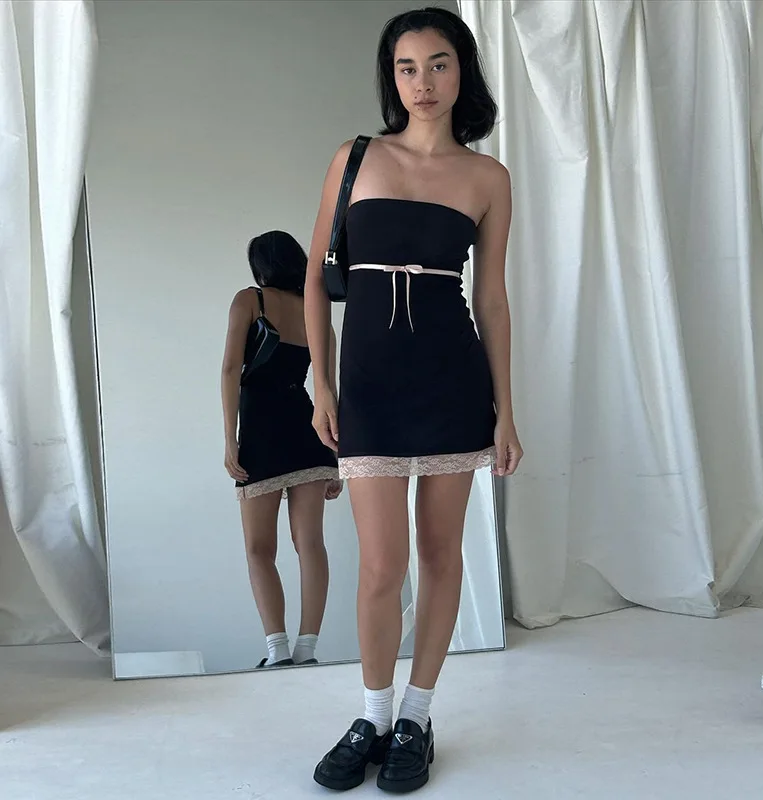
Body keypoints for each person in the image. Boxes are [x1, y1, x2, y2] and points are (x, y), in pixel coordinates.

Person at [304, 7, 523, 793]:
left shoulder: (487, 178)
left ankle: (416, 717)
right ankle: (371, 713)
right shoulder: (356, 157)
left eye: (438, 64)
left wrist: (505, 409)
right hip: (369, 388)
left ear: (462, 72)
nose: (422, 82)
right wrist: (321, 382)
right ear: (390, 78)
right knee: (379, 566)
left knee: (439, 554)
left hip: (451, 382)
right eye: (406, 67)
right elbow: (314, 280)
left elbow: (490, 299)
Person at [221, 230, 342, 669]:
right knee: (310, 544)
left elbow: (231, 369)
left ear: (261, 266)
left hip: (261, 434)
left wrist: (230, 438)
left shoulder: (250, 300)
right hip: (307, 432)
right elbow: (328, 390)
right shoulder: (316, 313)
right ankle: (306, 650)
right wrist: (336, 457)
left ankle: (277, 651)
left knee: (259, 549)